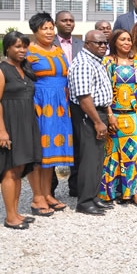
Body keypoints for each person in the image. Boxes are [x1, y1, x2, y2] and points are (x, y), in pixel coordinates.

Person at [0, 31, 42, 229]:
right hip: (9, 125)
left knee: (20, 169)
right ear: (7, 48)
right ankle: (10, 217)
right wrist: (2, 131)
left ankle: (16, 213)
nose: (22, 50)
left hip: (26, 124)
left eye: (24, 46)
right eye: (17, 46)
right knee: (10, 171)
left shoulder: (24, 69)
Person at [98, 29, 137, 207]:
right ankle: (112, 192)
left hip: (133, 116)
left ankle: (136, 192)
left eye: (129, 40)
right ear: (114, 42)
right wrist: (108, 116)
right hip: (114, 115)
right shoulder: (107, 62)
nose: (127, 42)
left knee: (135, 153)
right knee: (112, 155)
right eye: (122, 39)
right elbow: (104, 90)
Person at [26, 12, 74, 216]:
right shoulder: (29, 51)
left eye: (50, 28)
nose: (48, 31)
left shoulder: (58, 50)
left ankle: (47, 194)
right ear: (35, 31)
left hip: (61, 106)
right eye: (43, 28)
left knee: (52, 155)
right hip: (41, 104)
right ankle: (37, 197)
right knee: (40, 153)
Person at [68, 30, 114, 215]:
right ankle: (85, 202)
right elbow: (84, 97)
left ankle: (93, 196)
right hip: (89, 115)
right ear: (87, 44)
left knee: (96, 158)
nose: (103, 46)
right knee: (88, 159)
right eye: (98, 43)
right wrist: (97, 121)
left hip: (98, 113)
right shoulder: (84, 64)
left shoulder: (95, 61)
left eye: (105, 43)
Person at [51, 10, 84, 198]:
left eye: (71, 20)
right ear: (56, 23)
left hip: (78, 102)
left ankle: (75, 187)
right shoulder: (48, 44)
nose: (68, 23)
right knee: (52, 143)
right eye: (64, 20)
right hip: (55, 102)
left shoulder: (81, 44)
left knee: (78, 144)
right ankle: (50, 189)